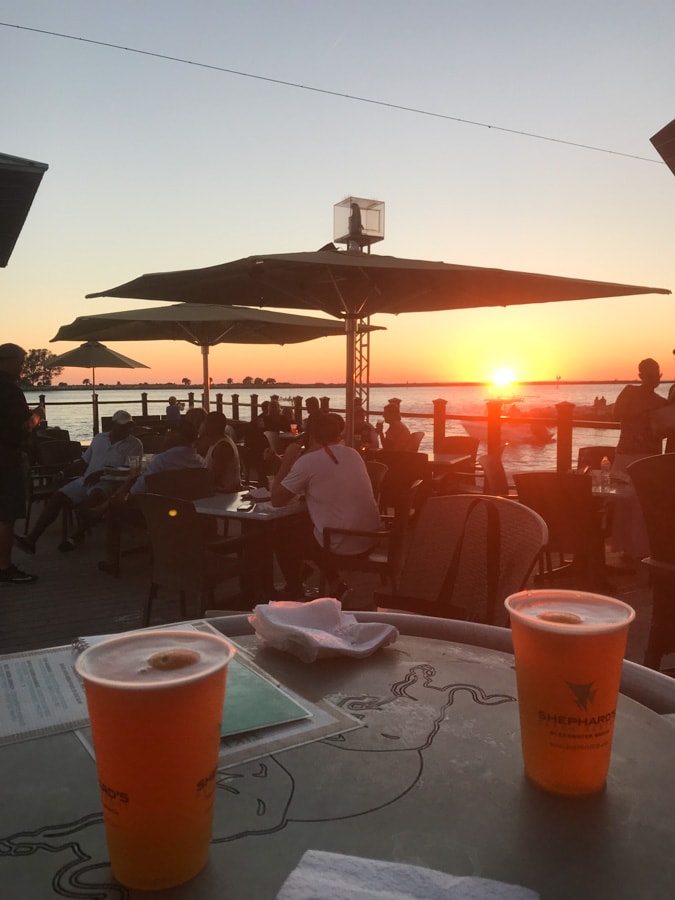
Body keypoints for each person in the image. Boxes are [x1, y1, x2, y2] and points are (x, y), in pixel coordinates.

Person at [271, 412, 381, 598]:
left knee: (279, 534)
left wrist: (287, 460)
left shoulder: (308, 462)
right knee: (309, 525)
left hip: (340, 542)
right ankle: (335, 583)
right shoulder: (353, 453)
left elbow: (277, 500)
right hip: (369, 537)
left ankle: (295, 589)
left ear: (311, 436)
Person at [15, 410, 142, 554]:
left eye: (130, 426)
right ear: (113, 425)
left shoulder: (134, 444)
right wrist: (64, 472)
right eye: (124, 426)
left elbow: (131, 472)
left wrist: (103, 472)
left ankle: (77, 535)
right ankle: (32, 538)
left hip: (110, 482)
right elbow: (83, 461)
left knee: (95, 496)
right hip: (86, 479)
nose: (128, 429)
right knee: (57, 497)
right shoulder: (99, 438)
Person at [98, 418, 207, 576]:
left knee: (115, 509)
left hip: (160, 517)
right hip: (191, 517)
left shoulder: (162, 460)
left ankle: (112, 563)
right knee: (125, 490)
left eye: (170, 432)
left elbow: (137, 492)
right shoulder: (201, 462)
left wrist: (122, 498)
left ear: (177, 436)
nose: (167, 435)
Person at [0, 343, 40, 584]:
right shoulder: (10, 391)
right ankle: (4, 568)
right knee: (7, 514)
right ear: (8, 361)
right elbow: (23, 428)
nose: (22, 369)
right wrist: (37, 415)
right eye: (21, 363)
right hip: (6, 457)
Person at [612, 357, 667, 479]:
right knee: (619, 493)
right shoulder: (629, 391)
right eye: (650, 375)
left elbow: (664, 431)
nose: (655, 378)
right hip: (626, 453)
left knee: (645, 495)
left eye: (657, 374)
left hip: (651, 455)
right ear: (641, 376)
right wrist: (643, 410)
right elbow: (616, 414)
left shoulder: (662, 402)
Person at [197, 411, 242, 493]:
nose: (202, 425)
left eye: (204, 422)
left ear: (210, 426)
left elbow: (214, 477)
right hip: (218, 492)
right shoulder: (216, 441)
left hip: (223, 494)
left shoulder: (223, 446)